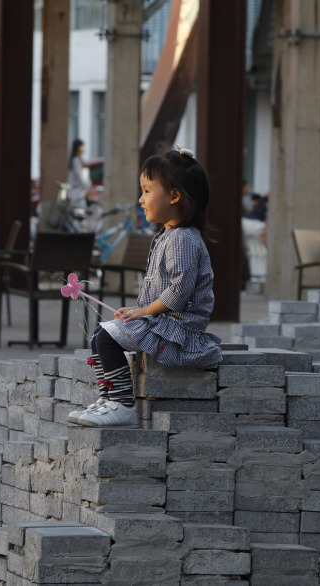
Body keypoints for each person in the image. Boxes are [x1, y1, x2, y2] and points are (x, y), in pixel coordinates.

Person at [68, 145, 223, 427]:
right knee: (100, 336)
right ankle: (108, 397)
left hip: (177, 328)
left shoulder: (183, 239)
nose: (141, 199)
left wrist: (143, 312)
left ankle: (121, 404)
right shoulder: (169, 234)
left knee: (105, 337)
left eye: (148, 191)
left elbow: (179, 291)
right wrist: (140, 310)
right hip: (162, 321)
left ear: (174, 196)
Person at [67, 138, 97, 208]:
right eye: (83, 146)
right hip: (76, 192)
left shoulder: (79, 160)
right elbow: (79, 177)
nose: (85, 148)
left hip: (79, 191)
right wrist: (88, 188)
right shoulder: (75, 160)